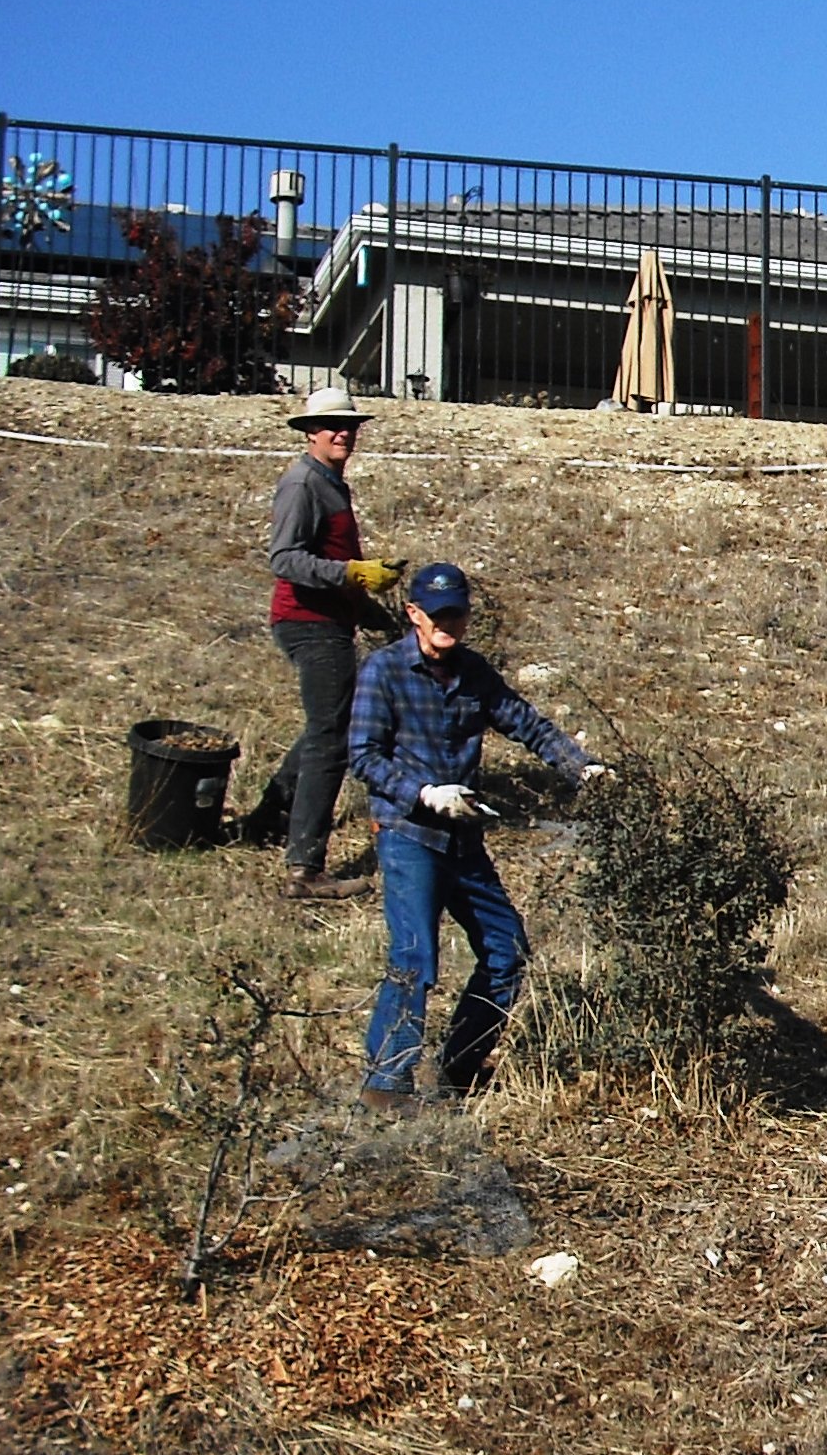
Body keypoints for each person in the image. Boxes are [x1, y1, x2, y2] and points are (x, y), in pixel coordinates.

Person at [348, 564, 609, 1109]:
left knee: (506, 951)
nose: (449, 624)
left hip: (464, 841)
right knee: (415, 957)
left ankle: (460, 1068)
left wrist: (582, 769)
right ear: (413, 614)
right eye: (438, 614)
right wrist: (423, 792)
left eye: (457, 613)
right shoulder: (385, 671)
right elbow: (363, 755)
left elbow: (527, 723)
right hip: (409, 834)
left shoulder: (474, 672)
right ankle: (386, 1086)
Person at [235, 384, 404, 899]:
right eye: (332, 425)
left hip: (328, 620)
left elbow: (330, 563)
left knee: (325, 725)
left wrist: (378, 612)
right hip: (307, 622)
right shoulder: (302, 484)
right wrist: (353, 574)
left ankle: (268, 819)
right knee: (333, 738)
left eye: (349, 425)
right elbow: (284, 559)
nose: (343, 433)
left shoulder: (332, 484)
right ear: (309, 432)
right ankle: (305, 867)